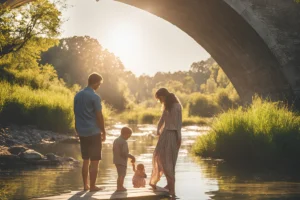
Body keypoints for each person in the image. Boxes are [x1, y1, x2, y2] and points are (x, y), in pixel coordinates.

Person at [74, 72, 106, 192]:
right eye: (100, 83)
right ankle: (92, 186)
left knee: (85, 160)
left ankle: (85, 186)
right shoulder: (95, 97)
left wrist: (77, 128)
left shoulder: (77, 95)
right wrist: (103, 130)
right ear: (96, 82)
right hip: (93, 132)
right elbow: (99, 115)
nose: (99, 85)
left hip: (82, 131)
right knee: (95, 161)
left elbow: (75, 113)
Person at [149, 88, 182, 197]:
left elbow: (178, 124)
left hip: (172, 136)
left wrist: (179, 137)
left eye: (160, 98)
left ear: (164, 96)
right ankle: (168, 185)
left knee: (170, 162)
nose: (160, 101)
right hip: (164, 136)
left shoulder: (177, 106)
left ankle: (171, 189)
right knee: (159, 157)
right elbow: (161, 120)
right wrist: (158, 130)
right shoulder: (166, 106)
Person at [113, 126, 136, 191]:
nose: (129, 137)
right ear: (125, 134)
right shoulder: (124, 142)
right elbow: (124, 153)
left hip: (116, 160)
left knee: (119, 174)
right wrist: (132, 157)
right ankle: (120, 187)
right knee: (122, 174)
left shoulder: (116, 140)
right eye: (129, 135)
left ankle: (118, 187)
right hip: (122, 161)